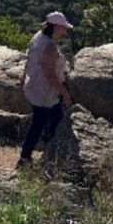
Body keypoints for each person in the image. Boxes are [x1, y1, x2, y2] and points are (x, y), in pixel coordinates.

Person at [17, 11, 73, 168]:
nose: (64, 31)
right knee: (49, 120)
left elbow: (29, 60)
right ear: (55, 27)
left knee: (44, 120)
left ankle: (31, 154)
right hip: (45, 91)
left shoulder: (37, 38)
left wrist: (23, 79)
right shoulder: (49, 46)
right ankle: (33, 155)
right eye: (63, 28)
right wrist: (65, 93)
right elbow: (50, 75)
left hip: (35, 86)